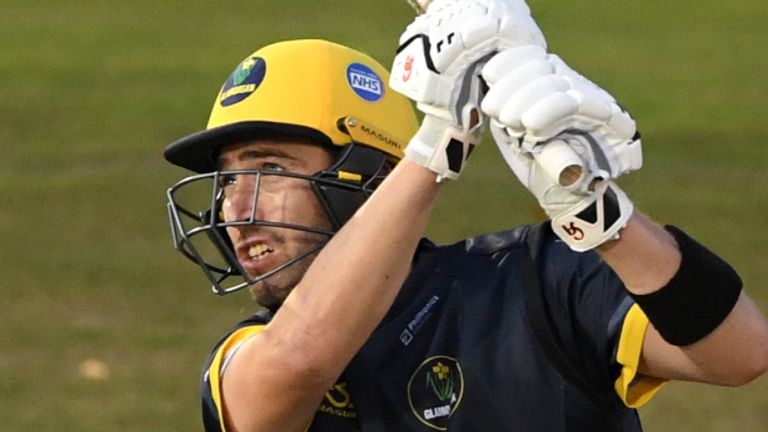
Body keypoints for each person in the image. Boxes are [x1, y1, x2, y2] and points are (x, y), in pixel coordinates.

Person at [163, 2, 768, 431]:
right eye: (228, 181)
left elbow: (740, 353)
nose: (235, 212)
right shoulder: (249, 354)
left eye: (269, 170)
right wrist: (442, 139)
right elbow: (298, 361)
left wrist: (600, 215)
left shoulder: (535, 281)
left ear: (368, 174)